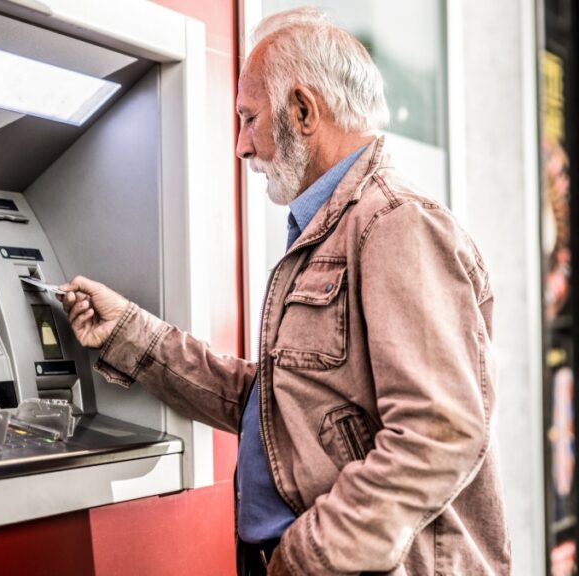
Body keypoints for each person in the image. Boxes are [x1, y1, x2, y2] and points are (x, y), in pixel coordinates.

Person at [59, 7, 510, 575]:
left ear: (302, 110)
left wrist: (306, 554)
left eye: (249, 118)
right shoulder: (329, 230)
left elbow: (441, 434)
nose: (243, 146)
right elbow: (276, 405)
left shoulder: (393, 225)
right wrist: (130, 334)